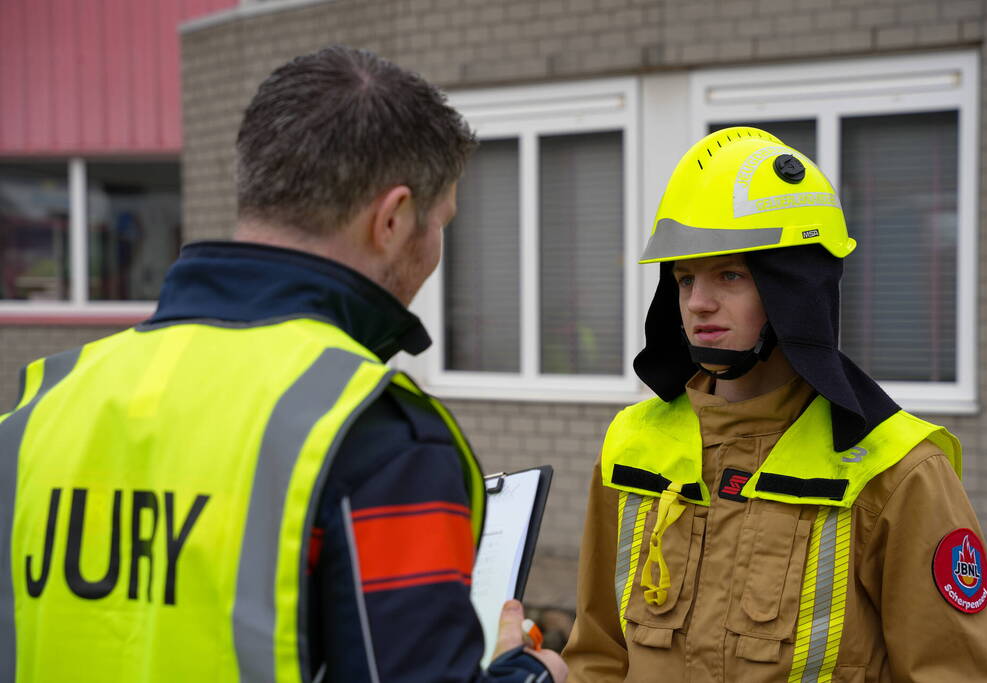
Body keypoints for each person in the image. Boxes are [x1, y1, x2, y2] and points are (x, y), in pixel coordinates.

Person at [0, 45, 567, 683]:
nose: (437, 247)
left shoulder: (38, 407)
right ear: (392, 218)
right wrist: (530, 676)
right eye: (440, 222)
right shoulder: (377, 437)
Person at [562, 127, 987, 682]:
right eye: (684, 278)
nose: (698, 303)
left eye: (731, 275)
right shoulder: (632, 447)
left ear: (794, 289)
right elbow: (597, 658)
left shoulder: (896, 473)